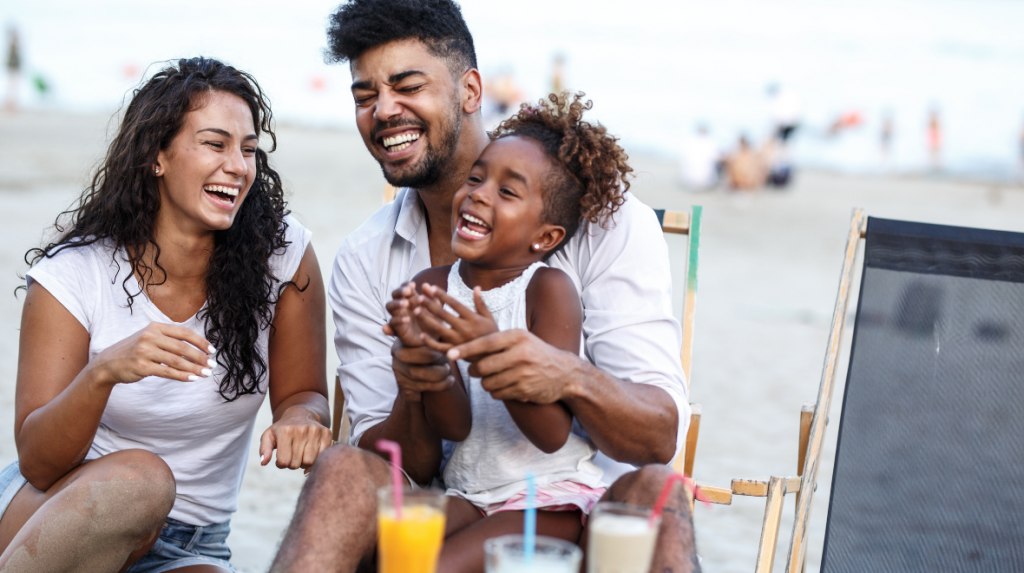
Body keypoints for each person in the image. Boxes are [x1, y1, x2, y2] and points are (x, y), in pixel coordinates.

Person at [271, 1, 696, 572]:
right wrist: (418, 379)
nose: (383, 111)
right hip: (459, 502)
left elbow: (656, 436)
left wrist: (559, 372)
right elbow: (406, 462)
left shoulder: (604, 224)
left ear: (471, 90)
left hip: (582, 508)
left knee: (654, 490)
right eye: (365, 96)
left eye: (406, 86)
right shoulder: (368, 261)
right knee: (344, 468)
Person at [0, 57, 332, 573]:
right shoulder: (75, 273)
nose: (240, 166)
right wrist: (104, 372)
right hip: (54, 514)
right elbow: (38, 463)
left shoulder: (281, 257)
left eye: (248, 150)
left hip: (189, 544)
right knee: (141, 480)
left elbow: (303, 395)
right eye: (215, 144)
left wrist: (301, 420)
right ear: (157, 156)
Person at [385, 93, 628, 565]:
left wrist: (487, 348)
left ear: (545, 237)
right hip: (467, 491)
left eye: (507, 191)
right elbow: (454, 425)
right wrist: (425, 358)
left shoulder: (547, 290)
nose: (478, 193)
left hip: (545, 494)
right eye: (477, 178)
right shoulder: (432, 286)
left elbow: (551, 432)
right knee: (393, 557)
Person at [4, 26, 20, 112]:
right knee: (11, 88)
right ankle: (10, 106)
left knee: (12, 89)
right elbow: (13, 60)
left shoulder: (14, 46)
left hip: (13, 69)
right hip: (12, 69)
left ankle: (11, 106)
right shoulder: (13, 46)